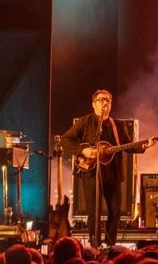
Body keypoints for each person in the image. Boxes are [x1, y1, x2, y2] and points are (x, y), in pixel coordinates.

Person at [62, 89, 147, 248]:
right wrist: (83, 150)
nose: (105, 103)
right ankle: (95, 246)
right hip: (92, 173)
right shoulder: (84, 122)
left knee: (115, 211)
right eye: (101, 100)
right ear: (93, 104)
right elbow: (65, 141)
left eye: (108, 101)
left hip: (113, 173)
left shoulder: (118, 126)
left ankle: (109, 245)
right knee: (94, 212)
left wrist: (144, 146)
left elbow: (128, 146)